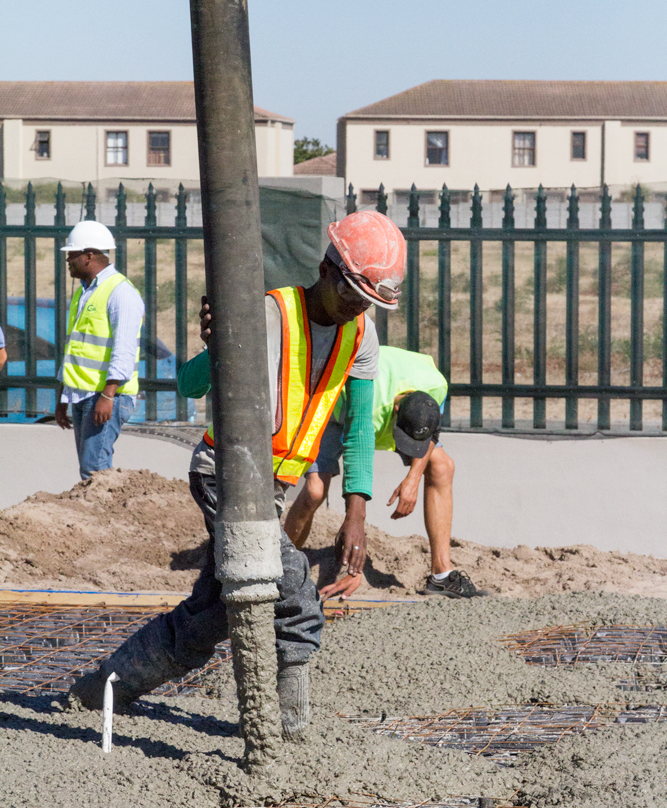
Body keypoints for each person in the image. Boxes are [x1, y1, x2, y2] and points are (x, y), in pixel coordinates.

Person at [68, 211, 407, 740]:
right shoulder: (269, 313)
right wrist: (220, 340)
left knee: (210, 616)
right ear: (326, 269)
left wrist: (356, 510)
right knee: (294, 590)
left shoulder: (361, 336)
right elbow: (189, 384)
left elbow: (361, 424)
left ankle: (104, 688)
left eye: (369, 301)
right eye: (353, 295)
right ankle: (288, 735)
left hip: (271, 489)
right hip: (221, 474)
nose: (358, 307)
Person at [285, 345, 487, 600]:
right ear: (395, 412)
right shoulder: (373, 405)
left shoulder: (436, 387)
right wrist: (355, 557)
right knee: (316, 490)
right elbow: (357, 464)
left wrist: (412, 481)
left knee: (443, 467)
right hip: (331, 411)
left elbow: (431, 433)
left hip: (376, 408)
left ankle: (441, 576)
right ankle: (281, 571)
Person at [54, 221, 144, 480]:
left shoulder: (120, 293)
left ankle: (102, 520)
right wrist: (63, 397)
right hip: (84, 394)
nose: (68, 260)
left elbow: (123, 351)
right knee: (90, 469)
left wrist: (108, 395)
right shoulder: (84, 294)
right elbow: (74, 349)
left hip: (106, 395)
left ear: (89, 256)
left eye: (72, 255)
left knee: (94, 471)